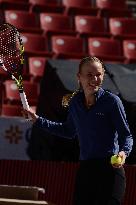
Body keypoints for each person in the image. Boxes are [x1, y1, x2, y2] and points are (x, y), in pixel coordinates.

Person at [23, 56, 133, 205]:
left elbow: (126, 135)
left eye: (99, 74)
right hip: (86, 171)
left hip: (110, 171)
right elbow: (68, 131)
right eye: (89, 75)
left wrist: (123, 153)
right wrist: (37, 120)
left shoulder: (112, 101)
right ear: (79, 77)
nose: (95, 78)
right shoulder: (75, 102)